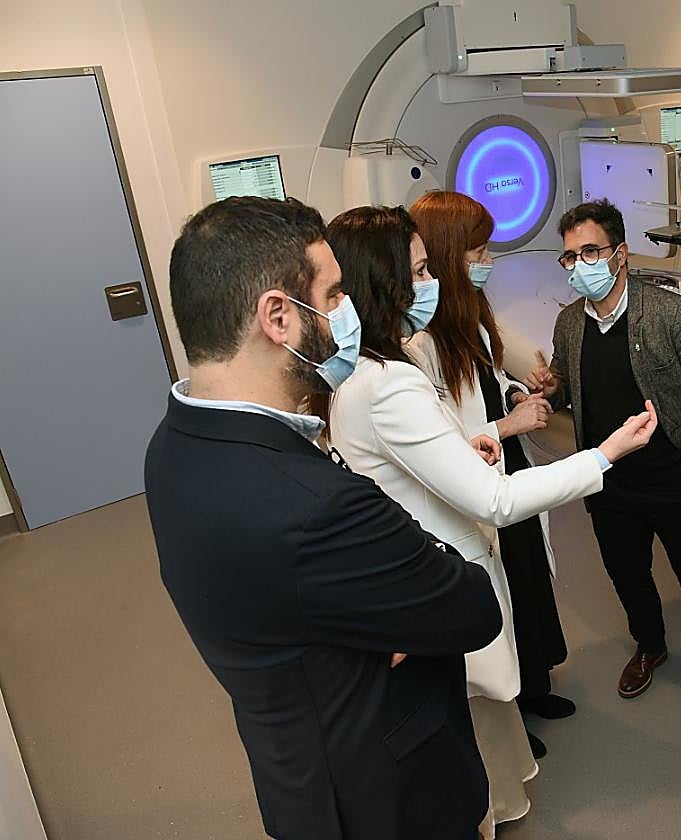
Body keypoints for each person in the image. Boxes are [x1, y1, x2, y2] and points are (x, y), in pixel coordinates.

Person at [144, 196, 503, 839]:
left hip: (298, 780)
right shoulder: (318, 505)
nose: (346, 313)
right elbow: (472, 605)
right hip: (389, 796)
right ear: (278, 317)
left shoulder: (171, 449)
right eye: (334, 294)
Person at [321, 206, 657, 835]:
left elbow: (419, 445)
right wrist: (605, 454)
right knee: (467, 717)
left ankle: (495, 801)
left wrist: (460, 441)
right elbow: (493, 502)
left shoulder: (367, 370)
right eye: (421, 271)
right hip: (442, 566)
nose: (433, 282)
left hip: (424, 550)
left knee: (476, 714)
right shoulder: (388, 381)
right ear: (389, 283)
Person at [525, 198, 681, 705]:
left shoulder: (671, 315)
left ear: (620, 254)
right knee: (627, 572)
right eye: (569, 257)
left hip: (675, 477)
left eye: (590, 252)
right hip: (608, 481)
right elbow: (568, 388)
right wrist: (551, 389)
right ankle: (650, 646)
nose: (579, 266)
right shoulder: (570, 323)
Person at [407, 191, 575, 728]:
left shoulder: (469, 316)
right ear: (444, 255)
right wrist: (506, 424)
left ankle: (537, 686)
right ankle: (512, 716)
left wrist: (515, 393)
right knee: (500, 592)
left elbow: (487, 380)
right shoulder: (419, 341)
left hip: (511, 463)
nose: (487, 263)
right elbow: (437, 437)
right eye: (477, 253)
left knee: (529, 578)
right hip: (478, 477)